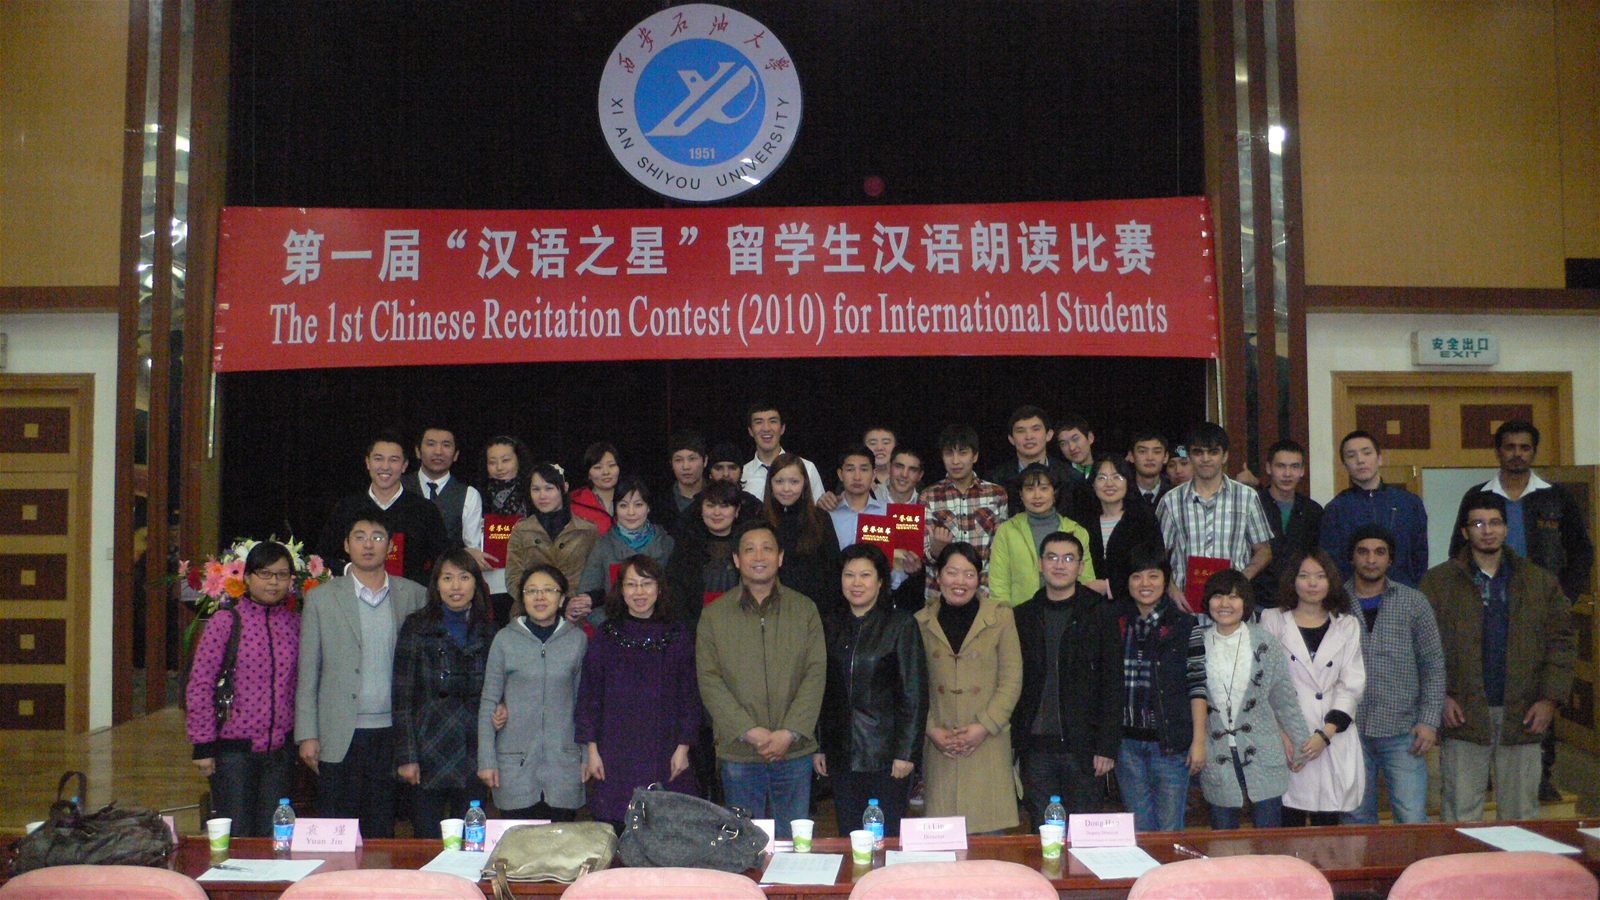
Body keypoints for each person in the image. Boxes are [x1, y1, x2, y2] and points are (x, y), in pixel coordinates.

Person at [1448, 419, 1593, 802]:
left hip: (1538, 609)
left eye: (1524, 447)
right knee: (1487, 686)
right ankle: (1485, 772)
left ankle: (1541, 776)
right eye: (1509, 446)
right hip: (1486, 603)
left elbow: (1582, 552)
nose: (1517, 454)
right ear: (1498, 451)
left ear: (1533, 451)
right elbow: (1456, 551)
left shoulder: (1556, 498)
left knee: (1538, 692)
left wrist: (1563, 596)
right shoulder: (1478, 495)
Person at [1422, 491, 1576, 822]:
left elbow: (1561, 644)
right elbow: (1423, 647)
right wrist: (1441, 696)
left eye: (1494, 523)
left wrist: (1549, 700)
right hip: (1462, 713)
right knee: (1460, 814)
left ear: (1506, 529)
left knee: (1521, 815)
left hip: (1523, 713)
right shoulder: (1438, 583)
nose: (1487, 530)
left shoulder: (1539, 582)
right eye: (1478, 523)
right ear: (1465, 531)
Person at [296, 513, 428, 837]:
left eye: (377, 537)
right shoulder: (321, 597)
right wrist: (307, 733)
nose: (368, 544)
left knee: (382, 831)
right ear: (346, 544)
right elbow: (308, 670)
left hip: (392, 732)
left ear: (391, 545)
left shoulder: (414, 595)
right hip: (339, 732)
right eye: (359, 536)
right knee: (336, 832)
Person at [696, 521, 827, 839]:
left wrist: (789, 732)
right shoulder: (714, 615)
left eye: (767, 549)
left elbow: (815, 674)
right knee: (744, 844)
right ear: (736, 559)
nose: (758, 556)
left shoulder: (804, 609)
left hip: (793, 750)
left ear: (780, 557)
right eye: (749, 549)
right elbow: (709, 680)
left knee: (793, 845)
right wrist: (749, 731)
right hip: (739, 751)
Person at [574, 554, 700, 831]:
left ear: (659, 588)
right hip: (615, 752)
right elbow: (590, 696)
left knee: (666, 831)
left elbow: (689, 696)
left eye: (646, 583)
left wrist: (683, 748)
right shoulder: (606, 634)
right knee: (617, 829)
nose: (639, 592)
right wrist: (592, 751)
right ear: (620, 590)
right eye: (631, 584)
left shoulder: (678, 635)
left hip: (666, 751)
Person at [186, 541, 300, 837]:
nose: (274, 582)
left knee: (275, 835)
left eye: (282, 574)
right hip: (233, 753)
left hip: (280, 752)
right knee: (237, 835)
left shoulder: (294, 624)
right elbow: (200, 684)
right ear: (247, 577)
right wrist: (203, 745)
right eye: (265, 573)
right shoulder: (226, 621)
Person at [815, 544, 928, 837]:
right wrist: (820, 745)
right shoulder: (829, 625)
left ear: (880, 581)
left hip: (886, 757)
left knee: (885, 838)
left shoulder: (901, 625)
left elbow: (914, 694)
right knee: (849, 836)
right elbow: (821, 691)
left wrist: (906, 753)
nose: (856, 583)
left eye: (865, 575)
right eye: (849, 575)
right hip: (840, 755)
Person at [1012, 532, 1121, 823]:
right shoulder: (1022, 616)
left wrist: (1107, 746)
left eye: (1068, 558)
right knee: (1043, 833)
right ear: (1040, 564)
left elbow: (1113, 683)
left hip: (1084, 749)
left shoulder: (1100, 614)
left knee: (1084, 834)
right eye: (1052, 557)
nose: (1059, 565)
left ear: (1081, 567)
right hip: (1035, 749)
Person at [1340, 525, 1445, 825]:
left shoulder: (1414, 602)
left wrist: (1429, 721)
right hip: (1349, 730)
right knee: (1356, 819)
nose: (1371, 559)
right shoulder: (1335, 603)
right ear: (1352, 557)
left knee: (1411, 818)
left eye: (1379, 552)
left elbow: (1433, 664)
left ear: (1390, 559)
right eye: (1363, 552)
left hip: (1403, 730)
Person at [916, 542, 1023, 835]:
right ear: (938, 576)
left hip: (988, 742)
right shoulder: (920, 621)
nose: (960, 582)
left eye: (969, 574)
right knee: (942, 845)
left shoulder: (1001, 616)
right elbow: (913, 686)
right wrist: (931, 730)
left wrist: (984, 726)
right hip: (941, 745)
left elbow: (1012, 679)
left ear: (979, 579)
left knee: (989, 846)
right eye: (952, 572)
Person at [392, 548, 495, 837]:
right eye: (447, 578)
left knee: (472, 842)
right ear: (436, 584)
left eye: (464, 577)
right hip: (428, 749)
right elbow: (401, 696)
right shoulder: (416, 626)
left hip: (474, 750)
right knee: (427, 842)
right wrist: (406, 757)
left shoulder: (488, 630)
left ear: (476, 584)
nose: (456, 586)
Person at [1196, 569, 1310, 830]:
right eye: (1218, 596)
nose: (1225, 604)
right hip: (1216, 753)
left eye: (1234, 597)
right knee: (1223, 838)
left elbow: (1284, 699)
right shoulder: (1196, 642)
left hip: (1263, 751)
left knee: (1268, 839)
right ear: (1207, 601)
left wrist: (1300, 743)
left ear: (1246, 603)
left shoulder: (1265, 642)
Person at [1259, 549, 1366, 826]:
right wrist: (1284, 737)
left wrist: (1324, 735)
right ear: (1292, 580)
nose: (1312, 583)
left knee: (1328, 826)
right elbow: (1265, 683)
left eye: (1320, 576)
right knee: (1287, 824)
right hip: (1286, 737)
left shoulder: (1347, 624)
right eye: (1304, 576)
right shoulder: (1272, 620)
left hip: (1332, 733)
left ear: (1331, 581)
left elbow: (1351, 685)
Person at [477, 564, 588, 821]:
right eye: (532, 591)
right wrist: (486, 760)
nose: (540, 597)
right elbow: (489, 702)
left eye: (548, 590)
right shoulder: (504, 639)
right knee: (517, 843)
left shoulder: (577, 640)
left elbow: (583, 705)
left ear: (562, 598)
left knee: (561, 843)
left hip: (564, 765)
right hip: (514, 766)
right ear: (522, 597)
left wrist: (585, 755)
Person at [1112, 544, 1207, 832]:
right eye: (1137, 576)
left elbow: (1197, 686)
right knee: (1138, 830)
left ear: (1166, 581)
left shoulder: (1186, 625)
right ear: (1127, 582)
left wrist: (1198, 742)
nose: (1145, 583)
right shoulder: (1114, 622)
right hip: (1125, 745)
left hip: (1170, 745)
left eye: (1153, 576)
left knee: (1169, 830)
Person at [1155, 422, 1274, 612]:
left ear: (1225, 456)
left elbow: (1264, 550)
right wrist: (1170, 588)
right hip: (1184, 607)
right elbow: (1157, 555)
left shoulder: (1246, 497)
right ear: (1189, 456)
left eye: (1213, 452)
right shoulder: (1171, 501)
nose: (1205, 459)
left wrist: (1240, 579)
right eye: (1198, 452)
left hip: (1233, 605)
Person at [316, 431, 450, 585]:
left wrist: (412, 586)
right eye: (378, 459)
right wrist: (348, 569)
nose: (385, 467)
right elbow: (321, 558)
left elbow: (443, 562)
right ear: (368, 462)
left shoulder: (425, 510)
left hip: (410, 596)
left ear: (404, 465)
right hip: (352, 592)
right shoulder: (347, 507)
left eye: (394, 460)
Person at [1319, 430, 1428, 587]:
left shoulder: (1409, 503)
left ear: (1379, 459)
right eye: (1351, 456)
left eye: (1367, 453)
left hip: (1402, 591)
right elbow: (1331, 562)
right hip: (1352, 594)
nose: (1360, 460)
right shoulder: (1336, 509)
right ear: (1344, 466)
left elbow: (1420, 555)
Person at [920, 424, 1009, 602]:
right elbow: (923, 556)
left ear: (975, 456)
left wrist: (982, 593)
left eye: (962, 453)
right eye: (949, 454)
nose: (955, 461)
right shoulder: (928, 496)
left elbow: (1000, 553)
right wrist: (936, 549)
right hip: (939, 597)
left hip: (985, 595)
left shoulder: (996, 494)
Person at [503, 463, 600, 624]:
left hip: (574, 616)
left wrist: (579, 602)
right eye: (536, 489)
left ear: (565, 488)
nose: (542, 496)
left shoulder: (587, 530)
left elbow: (597, 577)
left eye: (549, 488)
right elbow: (513, 579)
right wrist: (555, 604)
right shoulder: (521, 529)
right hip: (529, 615)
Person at [987, 463, 1095, 607]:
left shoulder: (1076, 531)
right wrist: (1005, 616)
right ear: (1021, 494)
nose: (1037, 496)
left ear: (1054, 492)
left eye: (1044, 488)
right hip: (1019, 614)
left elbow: (1086, 580)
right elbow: (998, 583)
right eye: (1029, 489)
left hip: (1071, 612)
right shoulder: (1007, 531)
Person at [575, 477, 675, 623]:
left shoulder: (666, 543)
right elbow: (586, 597)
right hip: (614, 627)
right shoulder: (603, 545)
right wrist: (610, 629)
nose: (631, 512)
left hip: (659, 626)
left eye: (638, 505)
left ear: (648, 507)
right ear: (615, 508)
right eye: (623, 505)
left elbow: (675, 595)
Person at [763, 452, 844, 618]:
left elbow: (833, 571)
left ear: (805, 484)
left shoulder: (820, 519)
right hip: (768, 611)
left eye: (794, 482)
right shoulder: (760, 520)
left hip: (813, 612)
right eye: (779, 481)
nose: (786, 488)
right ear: (770, 484)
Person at [665, 480, 746, 636]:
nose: (716, 513)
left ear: (737, 511)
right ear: (701, 509)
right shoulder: (686, 546)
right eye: (710, 505)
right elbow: (675, 596)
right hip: (696, 632)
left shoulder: (747, 545)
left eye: (724, 506)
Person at [1253, 439, 1324, 609]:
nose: (1287, 474)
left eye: (1294, 467)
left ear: (1302, 471)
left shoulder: (1313, 511)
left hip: (1299, 603)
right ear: (1269, 468)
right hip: (1256, 602)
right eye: (1281, 466)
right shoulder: (1253, 506)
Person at [1083, 455, 1164, 600]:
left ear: (1128, 482)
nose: (1109, 484)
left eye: (1117, 477)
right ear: (1093, 485)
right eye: (1101, 478)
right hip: (1092, 603)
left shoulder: (1143, 520)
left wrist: (1109, 587)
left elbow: (1155, 566)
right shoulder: (1085, 523)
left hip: (1136, 602)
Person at [479, 435, 533, 623]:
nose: (499, 467)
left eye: (506, 460)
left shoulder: (532, 493)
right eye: (492, 462)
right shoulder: (477, 494)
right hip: (489, 579)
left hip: (525, 576)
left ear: (518, 461)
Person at [413, 425, 485, 564]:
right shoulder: (398, 487)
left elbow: (473, 550)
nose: (438, 452)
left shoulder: (469, 495)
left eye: (446, 445)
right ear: (418, 451)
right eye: (431, 444)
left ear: (456, 455)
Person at [986, 406, 1074, 517]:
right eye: (1021, 431)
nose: (1029, 436)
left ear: (1049, 435)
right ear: (1011, 439)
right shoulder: (995, 480)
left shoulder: (1071, 477)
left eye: (1035, 429)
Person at [741, 402, 825, 502]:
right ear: (750, 431)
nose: (766, 428)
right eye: (759, 422)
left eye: (773, 421)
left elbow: (818, 509)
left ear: (782, 428)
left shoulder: (807, 468)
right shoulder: (742, 475)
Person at [828, 445, 889, 549]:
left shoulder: (887, 513)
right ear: (840, 474)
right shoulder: (828, 513)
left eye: (864, 470)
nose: (857, 477)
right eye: (850, 469)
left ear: (874, 474)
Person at [657, 429, 708, 533]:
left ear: (705, 461)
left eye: (692, 459)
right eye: (678, 460)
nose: (686, 467)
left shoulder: (716, 498)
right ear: (671, 464)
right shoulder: (660, 504)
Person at [569, 441, 620, 534]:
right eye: (598, 467)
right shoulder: (574, 505)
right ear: (588, 474)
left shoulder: (631, 499)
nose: (606, 472)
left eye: (611, 465)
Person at [1127, 428, 1172, 508]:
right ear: (1131, 456)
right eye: (1142, 451)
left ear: (1166, 457)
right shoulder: (1121, 494)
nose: (1150, 458)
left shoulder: (1173, 494)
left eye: (1157, 452)